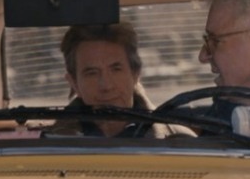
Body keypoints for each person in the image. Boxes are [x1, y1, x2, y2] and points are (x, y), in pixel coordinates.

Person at [52, 22, 194, 138]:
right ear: (74, 83)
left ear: (135, 74)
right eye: (92, 73)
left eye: (116, 70)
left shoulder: (180, 142)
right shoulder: (44, 146)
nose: (106, 85)